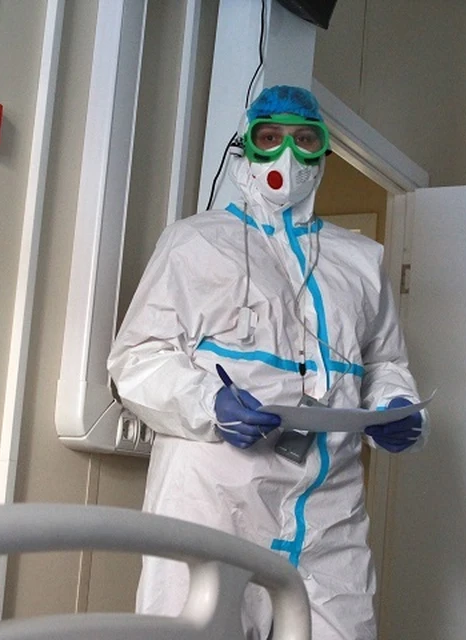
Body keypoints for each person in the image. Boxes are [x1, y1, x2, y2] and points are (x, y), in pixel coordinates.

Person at [107, 85, 428, 640]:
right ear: (246, 148)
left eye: (305, 140)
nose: (288, 155)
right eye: (271, 137)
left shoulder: (360, 260)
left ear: (323, 153)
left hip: (329, 514)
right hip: (215, 504)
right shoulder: (195, 242)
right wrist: (209, 402)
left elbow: (384, 361)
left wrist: (396, 405)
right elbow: (137, 357)